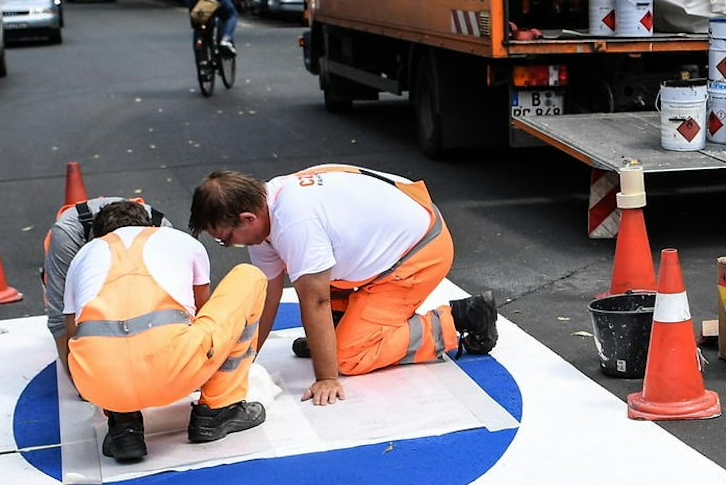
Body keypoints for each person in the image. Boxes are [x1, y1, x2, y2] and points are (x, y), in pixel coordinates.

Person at [189, 166, 498, 407]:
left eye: (226, 239)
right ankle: (336, 333)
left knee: (349, 356)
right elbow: (267, 297)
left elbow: (316, 301)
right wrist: (243, 361)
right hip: (393, 236)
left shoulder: (295, 223)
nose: (227, 245)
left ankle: (460, 319)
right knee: (308, 271)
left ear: (246, 218)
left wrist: (327, 377)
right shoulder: (264, 208)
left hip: (418, 252)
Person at [62, 201, 268, 462]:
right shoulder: (180, 240)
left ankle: (124, 426)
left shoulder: (82, 257)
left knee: (100, 339)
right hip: (173, 371)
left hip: (100, 385)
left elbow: (74, 336)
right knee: (249, 276)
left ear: (100, 235)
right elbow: (201, 313)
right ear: (151, 226)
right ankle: (218, 409)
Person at [43, 196, 173, 378]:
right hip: (73, 254)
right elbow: (59, 318)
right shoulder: (67, 237)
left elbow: (178, 304)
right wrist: (78, 380)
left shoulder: (162, 232)